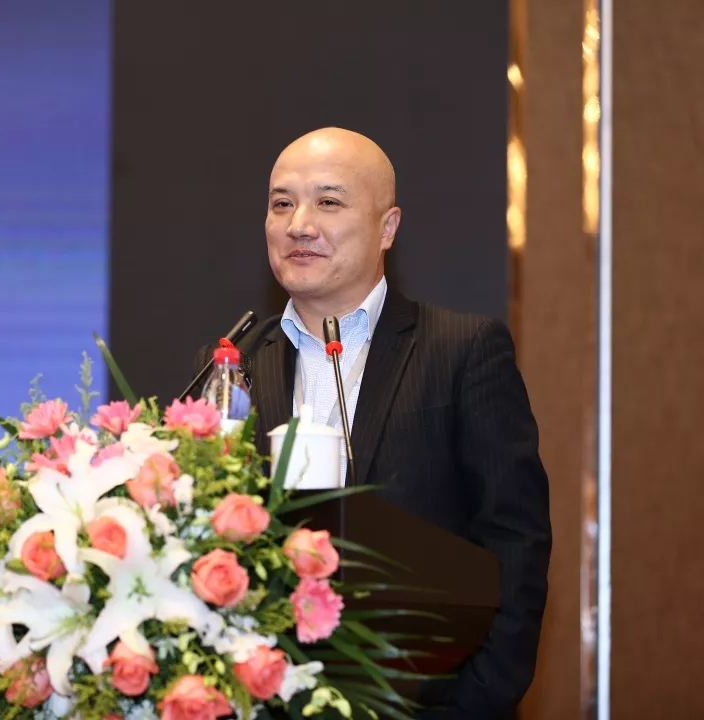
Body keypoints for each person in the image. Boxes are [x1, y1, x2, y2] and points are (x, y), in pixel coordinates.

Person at [198, 127, 551, 719]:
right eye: (281, 203)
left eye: (328, 201)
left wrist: (475, 702)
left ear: (387, 228)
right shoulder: (232, 367)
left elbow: (515, 539)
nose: (299, 224)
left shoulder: (461, 351)